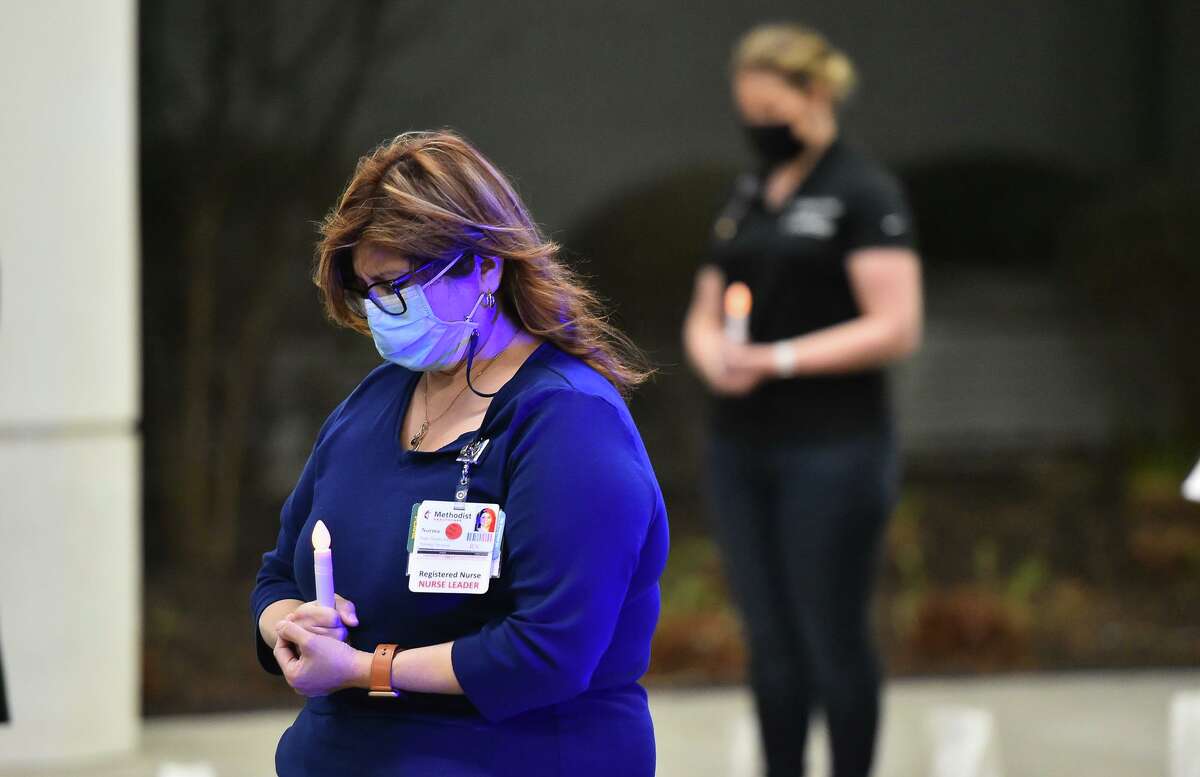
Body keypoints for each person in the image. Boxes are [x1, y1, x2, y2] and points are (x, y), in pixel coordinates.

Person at [251, 131, 669, 777]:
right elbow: (279, 571)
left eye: (396, 284)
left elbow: (547, 651)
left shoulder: (567, 421)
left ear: (486, 265)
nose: (381, 309)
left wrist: (365, 668)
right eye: (368, 290)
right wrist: (288, 627)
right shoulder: (375, 402)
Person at [682, 23, 923, 777]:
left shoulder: (862, 192)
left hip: (835, 446)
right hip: (740, 444)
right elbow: (705, 305)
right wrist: (714, 357)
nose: (758, 126)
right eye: (746, 110)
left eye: (770, 109)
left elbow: (897, 323)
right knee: (770, 638)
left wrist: (779, 359)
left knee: (830, 635)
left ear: (816, 97)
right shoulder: (748, 192)